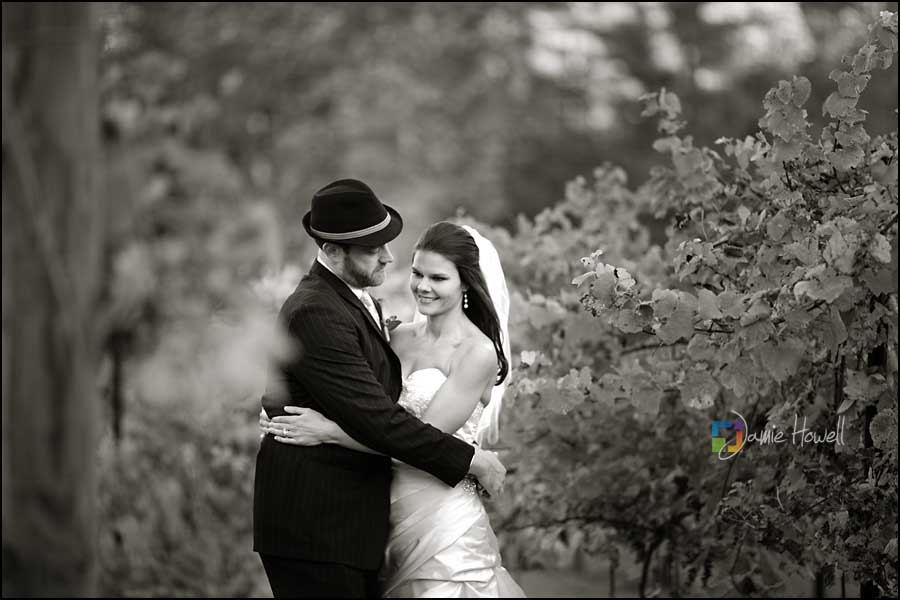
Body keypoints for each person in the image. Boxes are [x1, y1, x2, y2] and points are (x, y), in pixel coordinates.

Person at [253, 180, 508, 598]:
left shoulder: (357, 302)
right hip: (318, 527)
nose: (389, 258)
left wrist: (325, 426)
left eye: (437, 276)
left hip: (379, 520)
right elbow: (378, 419)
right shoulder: (318, 310)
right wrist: (472, 460)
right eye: (373, 249)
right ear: (333, 250)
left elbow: (372, 403)